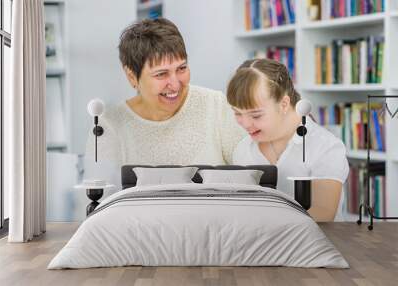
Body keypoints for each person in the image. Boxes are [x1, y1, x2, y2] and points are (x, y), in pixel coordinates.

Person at [85, 18, 244, 173]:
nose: (175, 84)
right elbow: (100, 196)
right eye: (161, 74)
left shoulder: (215, 105)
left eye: (181, 68)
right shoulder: (110, 125)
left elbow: (252, 173)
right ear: (132, 76)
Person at [226, 58, 349, 221]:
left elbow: (322, 216)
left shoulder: (325, 147)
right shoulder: (243, 149)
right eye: (237, 113)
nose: (245, 123)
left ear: (284, 104)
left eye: (256, 115)